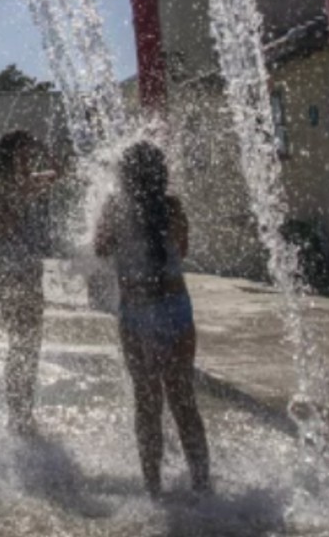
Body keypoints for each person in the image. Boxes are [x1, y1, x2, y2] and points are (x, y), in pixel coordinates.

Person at [95, 140, 210, 496]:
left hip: (136, 313)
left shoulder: (115, 207)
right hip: (175, 308)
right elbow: (183, 249)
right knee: (183, 401)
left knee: (147, 404)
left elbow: (100, 249)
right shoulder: (173, 207)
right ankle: (202, 486)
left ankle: (154, 489)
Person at [0, 130, 58, 434]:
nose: (29, 160)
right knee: (20, 342)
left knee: (32, 342)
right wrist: (25, 189)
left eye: (30, 154)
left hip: (28, 270)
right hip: (8, 271)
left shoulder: (23, 182)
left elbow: (58, 172)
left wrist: (44, 148)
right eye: (23, 154)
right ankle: (18, 414)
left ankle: (25, 410)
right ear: (10, 156)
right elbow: (2, 225)